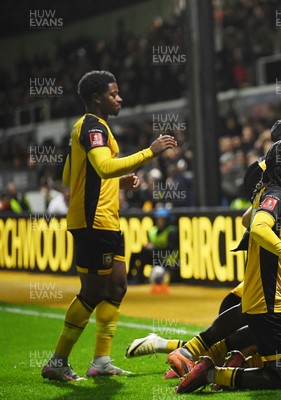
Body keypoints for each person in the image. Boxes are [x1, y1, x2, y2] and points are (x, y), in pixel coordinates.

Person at [41, 70, 177, 382]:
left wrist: (117, 182)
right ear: (96, 98)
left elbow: (69, 176)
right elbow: (102, 167)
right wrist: (149, 152)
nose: (120, 99)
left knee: (117, 286)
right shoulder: (91, 127)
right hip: (93, 223)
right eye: (114, 94)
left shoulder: (92, 128)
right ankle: (57, 361)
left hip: (107, 221)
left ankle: (100, 360)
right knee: (91, 293)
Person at [176, 139, 281, 393]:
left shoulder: (278, 191)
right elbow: (258, 227)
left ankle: (211, 352)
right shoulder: (277, 194)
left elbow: (248, 219)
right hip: (272, 300)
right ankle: (212, 373)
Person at [128, 207, 179, 284]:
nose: (159, 221)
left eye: (162, 219)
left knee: (146, 253)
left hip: (167, 259)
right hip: (155, 256)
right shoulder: (153, 231)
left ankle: (140, 279)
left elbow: (170, 250)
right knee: (138, 254)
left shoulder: (171, 232)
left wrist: (154, 248)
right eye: (158, 219)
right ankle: (131, 277)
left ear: (166, 221)